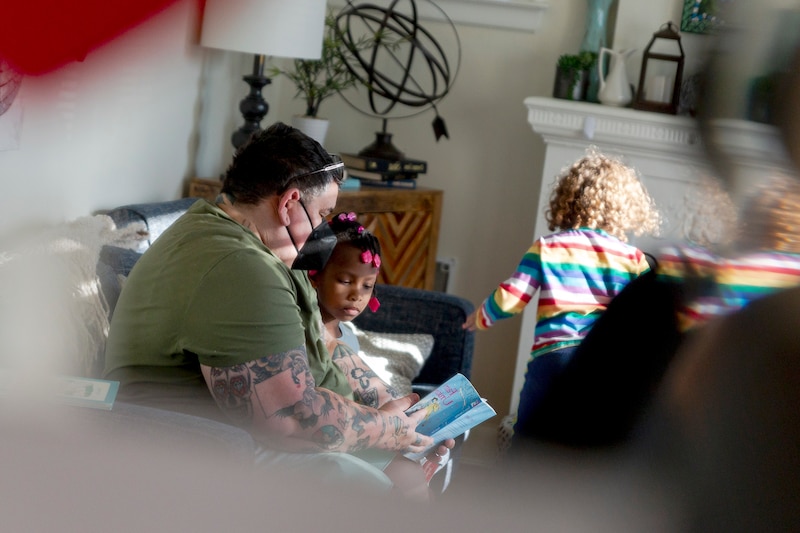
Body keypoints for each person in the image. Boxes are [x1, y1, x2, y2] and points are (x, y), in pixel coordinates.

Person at [103, 122, 439, 496]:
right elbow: (290, 418)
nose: (324, 232)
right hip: (197, 447)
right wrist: (388, 430)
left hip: (257, 433)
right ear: (289, 204)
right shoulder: (240, 267)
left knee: (407, 469)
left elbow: (325, 345)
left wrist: (394, 408)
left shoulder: (258, 245)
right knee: (398, 484)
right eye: (322, 214)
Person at [463, 148, 661, 442]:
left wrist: (480, 317)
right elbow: (646, 315)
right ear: (624, 208)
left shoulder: (548, 247)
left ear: (567, 199)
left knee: (529, 434)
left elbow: (512, 296)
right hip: (602, 361)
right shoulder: (634, 259)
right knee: (584, 436)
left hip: (553, 355)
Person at [308, 211, 454, 489]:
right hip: (332, 434)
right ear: (315, 275)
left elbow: (373, 396)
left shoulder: (348, 335)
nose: (357, 295)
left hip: (371, 430)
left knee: (413, 470)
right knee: (408, 477)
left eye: (367, 286)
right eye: (345, 281)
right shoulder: (307, 329)